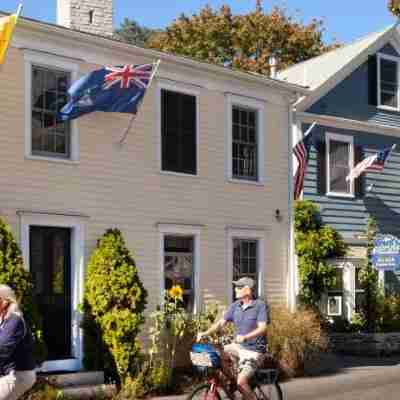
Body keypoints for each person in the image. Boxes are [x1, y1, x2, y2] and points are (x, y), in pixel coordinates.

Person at [197, 277, 270, 400]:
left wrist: (245, 337)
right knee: (216, 353)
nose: (235, 289)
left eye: (239, 287)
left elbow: (263, 328)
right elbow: (221, 323)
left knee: (241, 382)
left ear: (247, 290)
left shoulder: (260, 305)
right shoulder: (235, 305)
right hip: (237, 346)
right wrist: (205, 333)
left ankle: (241, 386)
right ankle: (232, 381)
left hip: (254, 350)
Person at [0, 285, 36, 400]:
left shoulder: (14, 320)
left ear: (5, 301)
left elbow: (3, 348)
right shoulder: (4, 320)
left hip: (19, 374)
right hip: (9, 374)